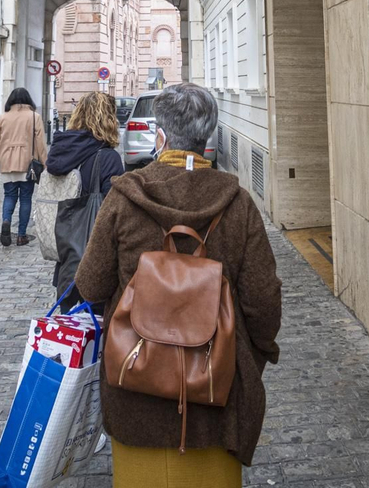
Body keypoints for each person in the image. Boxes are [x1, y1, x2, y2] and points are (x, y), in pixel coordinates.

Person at [74, 83, 281, 484]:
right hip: (215, 392)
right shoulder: (237, 203)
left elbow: (91, 285)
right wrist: (250, 357)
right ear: (207, 137)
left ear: (160, 136)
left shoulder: (125, 197)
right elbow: (263, 299)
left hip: (135, 387)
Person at [44, 91, 124, 308]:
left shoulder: (61, 151)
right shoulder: (108, 158)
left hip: (66, 262)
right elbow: (115, 209)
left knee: (70, 324)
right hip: (95, 262)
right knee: (97, 325)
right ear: (109, 119)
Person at [0, 87, 46, 246]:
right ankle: (21, 235)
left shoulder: (3, 117)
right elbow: (41, 144)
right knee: (26, 198)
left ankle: (6, 220)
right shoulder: (34, 117)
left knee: (9, 195)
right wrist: (45, 164)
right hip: (28, 164)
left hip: (7, 162)